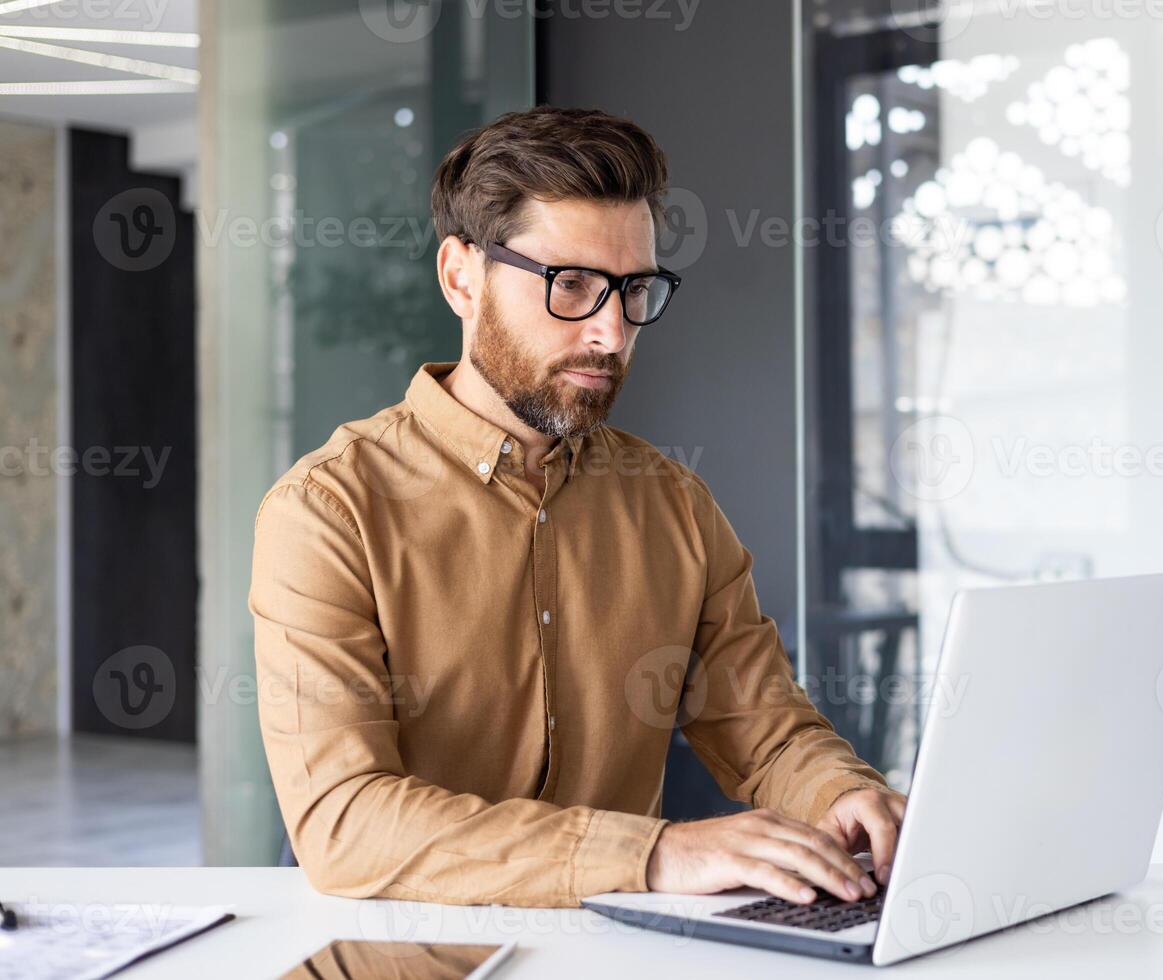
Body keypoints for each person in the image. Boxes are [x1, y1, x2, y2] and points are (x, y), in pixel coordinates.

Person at [249, 106, 906, 909]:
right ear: (462, 277)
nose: (611, 331)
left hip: (615, 953)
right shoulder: (327, 513)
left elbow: (764, 727)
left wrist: (844, 796)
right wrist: (653, 854)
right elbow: (346, 822)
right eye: (573, 285)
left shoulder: (674, 505)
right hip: (405, 949)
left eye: (635, 290)